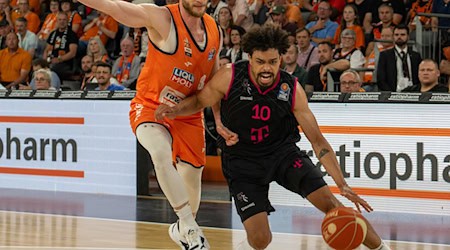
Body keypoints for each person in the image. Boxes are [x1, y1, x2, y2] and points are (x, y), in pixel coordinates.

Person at [154, 24, 391, 250]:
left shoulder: (292, 89)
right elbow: (199, 101)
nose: (266, 68)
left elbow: (318, 142)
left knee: (335, 208)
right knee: (260, 239)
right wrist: (175, 109)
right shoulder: (230, 77)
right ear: (249, 59)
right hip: (242, 162)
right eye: (260, 62)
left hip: (283, 156)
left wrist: (342, 184)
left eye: (272, 62)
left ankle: (382, 247)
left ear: (281, 59)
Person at [76, 0, 222, 249]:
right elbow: (116, 8)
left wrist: (218, 118)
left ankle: (182, 226)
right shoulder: (162, 18)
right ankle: (189, 227)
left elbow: (215, 77)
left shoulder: (213, 28)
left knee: (192, 188)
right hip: (152, 107)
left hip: (188, 112)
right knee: (160, 153)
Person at [377, 24, 422, 92]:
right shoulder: (385, 55)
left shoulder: (416, 56)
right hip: (392, 94)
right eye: (396, 35)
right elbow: (381, 79)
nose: (399, 37)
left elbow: (419, 77)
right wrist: (391, 94)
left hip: (414, 94)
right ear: (393, 37)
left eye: (402, 35)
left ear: (408, 36)